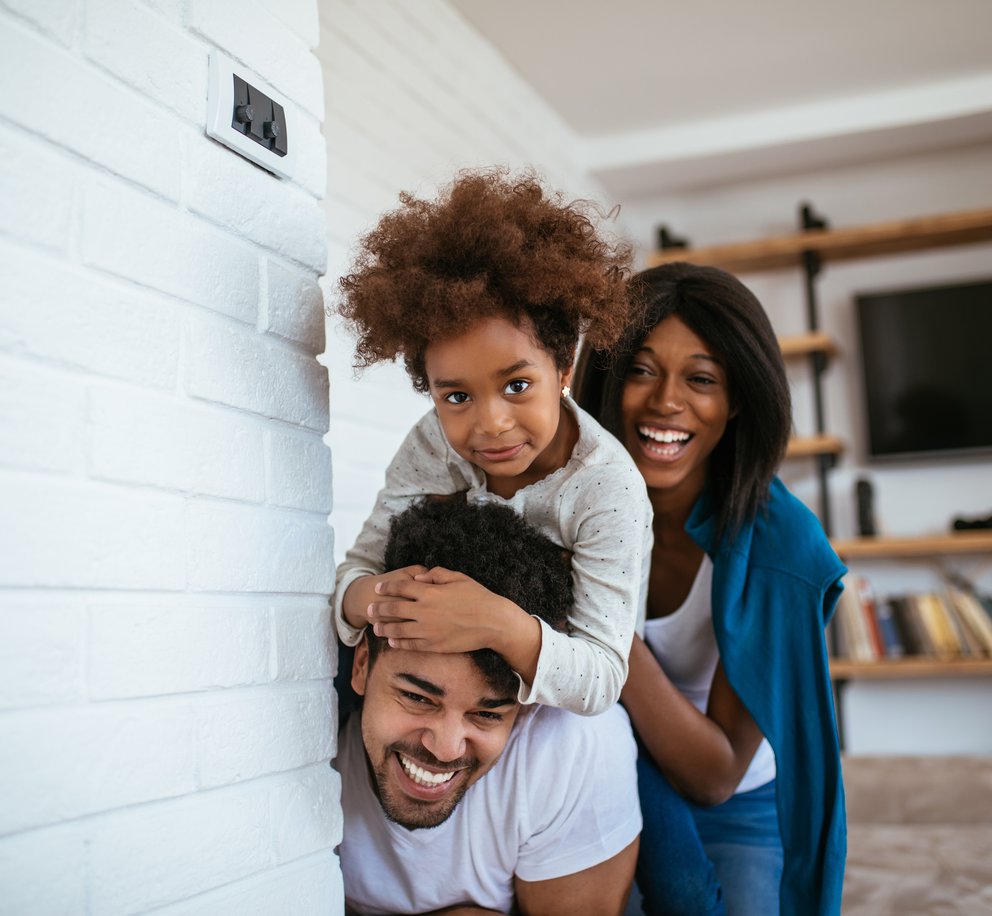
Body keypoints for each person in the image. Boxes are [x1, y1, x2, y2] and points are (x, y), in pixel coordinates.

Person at [574, 262, 847, 916]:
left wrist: (603, 632)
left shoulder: (784, 549)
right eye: (641, 370)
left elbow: (716, 775)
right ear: (608, 381)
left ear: (739, 400)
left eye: (702, 380)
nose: (667, 402)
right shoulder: (569, 503)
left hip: (737, 806)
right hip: (602, 775)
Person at [333, 168, 652, 716]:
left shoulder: (606, 486)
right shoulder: (432, 444)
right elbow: (355, 575)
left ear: (564, 368)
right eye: (456, 396)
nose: (492, 423)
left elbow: (601, 677)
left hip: (551, 711)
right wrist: (386, 599)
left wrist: (493, 619)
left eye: (517, 385)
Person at [336, 496, 641, 915]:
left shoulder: (574, 742)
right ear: (362, 664)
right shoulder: (299, 721)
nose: (445, 748)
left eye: (487, 714)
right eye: (418, 698)